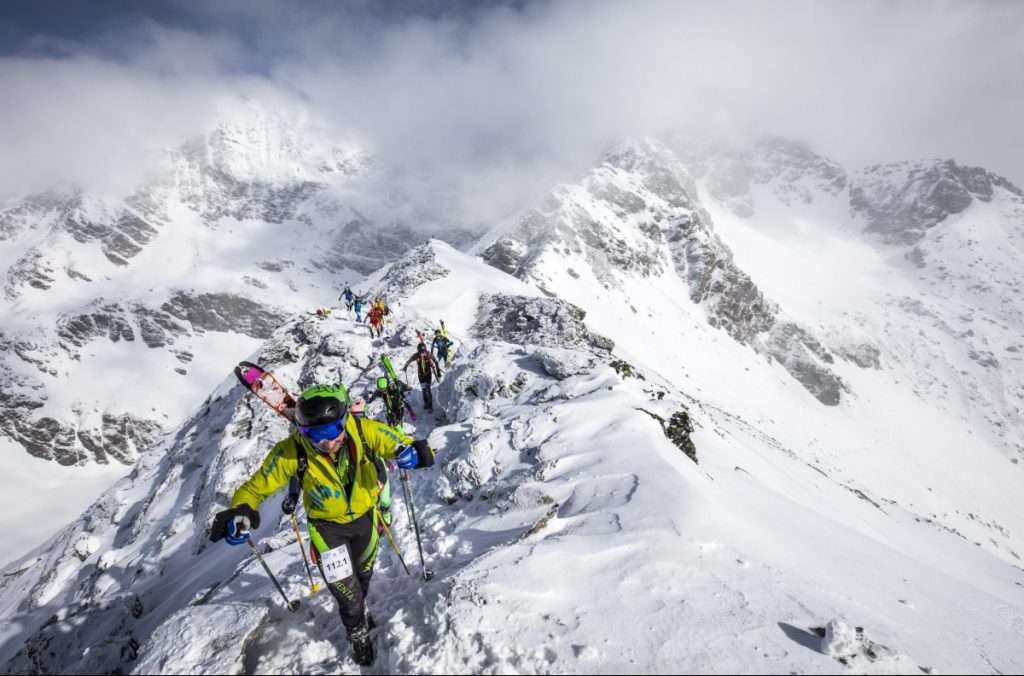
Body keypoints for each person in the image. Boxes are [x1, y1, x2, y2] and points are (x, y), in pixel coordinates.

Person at [209, 385, 434, 667]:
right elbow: (255, 488)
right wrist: (240, 511)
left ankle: (360, 612)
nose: (326, 443)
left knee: (363, 579)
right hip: (326, 530)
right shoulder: (292, 451)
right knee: (347, 593)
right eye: (314, 435)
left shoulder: (365, 432)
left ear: (345, 420)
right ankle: (357, 632)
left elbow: (408, 445)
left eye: (332, 432)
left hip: (365, 521)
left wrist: (415, 453)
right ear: (302, 430)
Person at [403, 343, 441, 413]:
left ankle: (430, 405)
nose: (421, 354)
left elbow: (436, 361)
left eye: (422, 352)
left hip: (428, 374)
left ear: (425, 350)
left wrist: (438, 370)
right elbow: (409, 360)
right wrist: (406, 365)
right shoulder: (416, 355)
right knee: (423, 390)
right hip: (420, 375)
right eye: (420, 352)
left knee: (428, 389)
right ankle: (426, 403)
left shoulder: (428, 354)